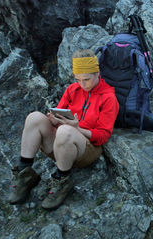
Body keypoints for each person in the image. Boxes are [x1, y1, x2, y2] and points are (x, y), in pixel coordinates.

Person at [8, 49, 119, 210]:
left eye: (86, 79)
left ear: (97, 73)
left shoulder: (109, 98)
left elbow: (102, 137)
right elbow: (58, 113)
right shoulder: (72, 90)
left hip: (87, 150)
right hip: (62, 145)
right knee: (34, 118)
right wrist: (53, 120)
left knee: (65, 131)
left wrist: (76, 127)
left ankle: (62, 180)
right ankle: (25, 174)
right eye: (78, 79)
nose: (82, 84)